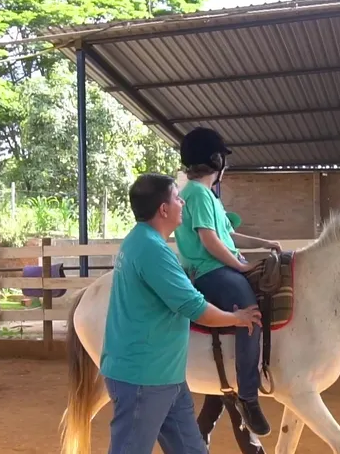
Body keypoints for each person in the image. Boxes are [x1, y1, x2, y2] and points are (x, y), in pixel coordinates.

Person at [100, 173, 263, 454]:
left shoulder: (140, 241)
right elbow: (196, 309)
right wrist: (238, 319)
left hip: (166, 378)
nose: (182, 202)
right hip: (144, 380)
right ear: (163, 209)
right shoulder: (153, 250)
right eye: (177, 197)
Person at [173, 127, 281, 436]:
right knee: (251, 314)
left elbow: (227, 234)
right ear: (216, 160)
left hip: (218, 265)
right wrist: (241, 266)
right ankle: (247, 396)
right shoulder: (198, 193)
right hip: (209, 271)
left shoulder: (205, 195)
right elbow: (209, 241)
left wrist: (262, 242)